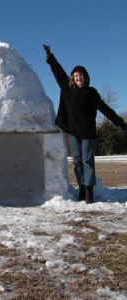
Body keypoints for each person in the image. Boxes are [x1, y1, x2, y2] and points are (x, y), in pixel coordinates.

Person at [43, 44, 127, 204]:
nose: (78, 78)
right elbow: (58, 72)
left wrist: (120, 122)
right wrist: (50, 57)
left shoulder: (91, 92)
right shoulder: (67, 89)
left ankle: (89, 193)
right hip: (74, 133)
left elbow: (105, 109)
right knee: (77, 161)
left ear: (85, 77)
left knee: (87, 161)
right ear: (72, 78)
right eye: (75, 76)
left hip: (88, 133)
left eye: (81, 75)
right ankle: (81, 188)